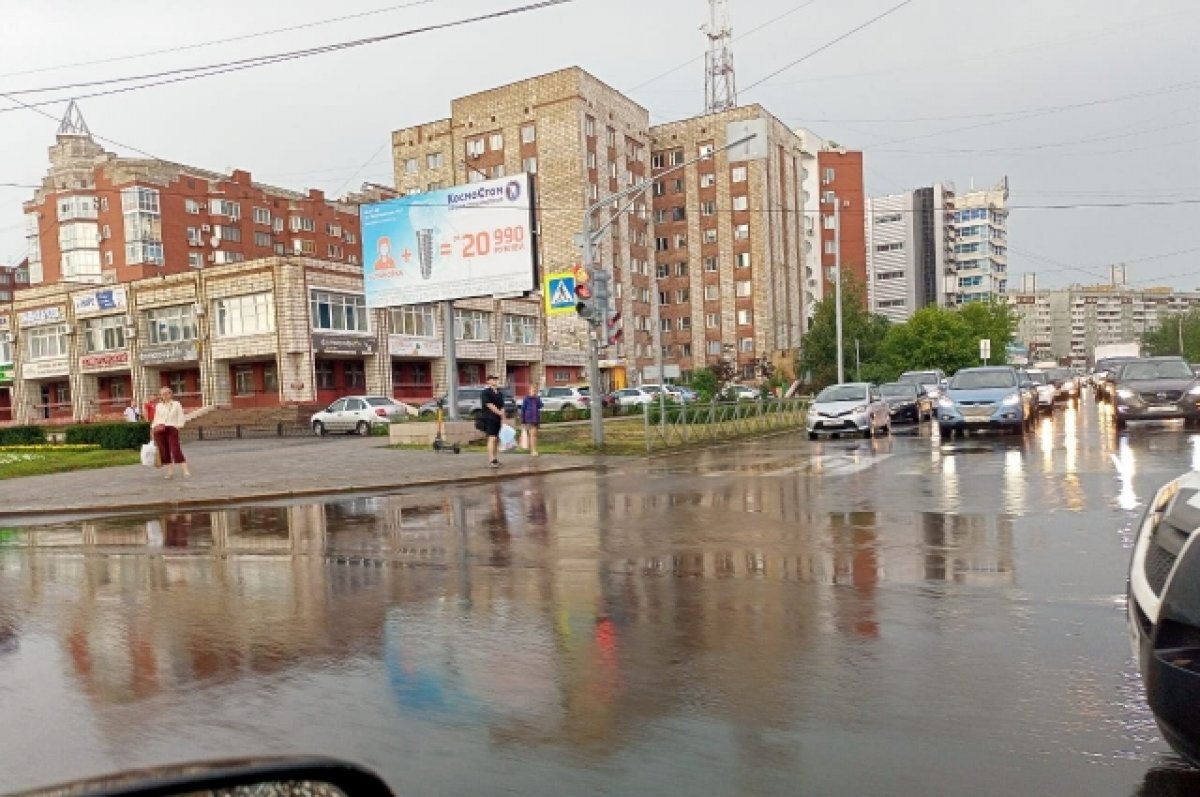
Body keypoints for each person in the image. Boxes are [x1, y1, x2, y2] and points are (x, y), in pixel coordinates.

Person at [151, 386, 190, 479]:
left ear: (170, 394)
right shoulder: (159, 406)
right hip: (160, 429)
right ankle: (170, 472)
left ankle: (185, 470)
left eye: (167, 393)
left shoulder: (176, 404)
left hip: (172, 428)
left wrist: (178, 426)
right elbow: (156, 418)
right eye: (162, 394)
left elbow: (181, 416)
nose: (165, 396)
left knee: (175, 449)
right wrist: (153, 429)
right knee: (164, 451)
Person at [481, 374, 506, 468]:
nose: (495, 381)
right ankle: (491, 459)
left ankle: (495, 458)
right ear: (488, 381)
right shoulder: (485, 392)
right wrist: (499, 412)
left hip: (498, 418)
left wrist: (503, 416)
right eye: (493, 379)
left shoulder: (499, 393)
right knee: (492, 438)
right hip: (489, 417)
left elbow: (502, 405)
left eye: (496, 379)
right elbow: (489, 405)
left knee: (496, 439)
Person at [519, 383, 543, 457]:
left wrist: (537, 398)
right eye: (533, 390)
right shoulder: (526, 398)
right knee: (532, 435)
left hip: (536, 418)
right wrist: (523, 420)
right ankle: (533, 451)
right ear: (529, 390)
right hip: (529, 419)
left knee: (534, 435)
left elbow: (540, 406)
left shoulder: (536, 398)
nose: (534, 392)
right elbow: (523, 409)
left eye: (535, 391)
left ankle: (534, 450)